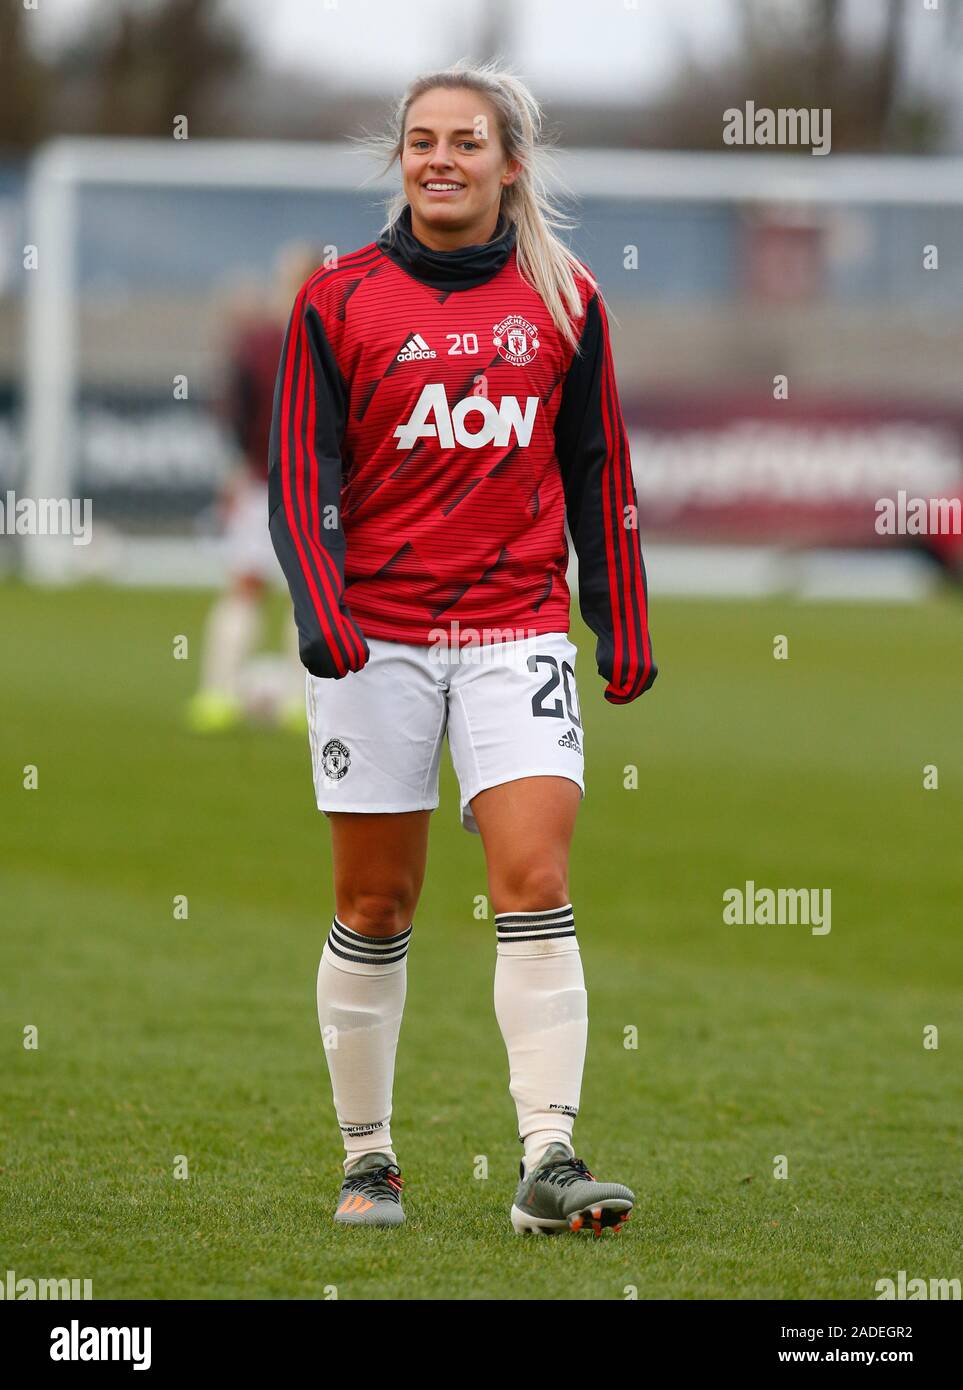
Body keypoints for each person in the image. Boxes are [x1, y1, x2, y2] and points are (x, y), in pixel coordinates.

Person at [268, 59, 657, 1236]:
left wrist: (619, 611)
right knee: (377, 905)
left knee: (535, 879)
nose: (440, 158)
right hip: (375, 638)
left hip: (514, 627)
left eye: (466, 141)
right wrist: (320, 601)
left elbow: (598, 470)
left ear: (510, 163)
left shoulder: (569, 299)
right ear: (402, 157)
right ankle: (370, 1156)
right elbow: (301, 471)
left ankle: (548, 1158)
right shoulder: (336, 299)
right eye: (422, 139)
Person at [187, 245, 320, 733]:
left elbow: (235, 413)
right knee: (305, 594)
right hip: (313, 490)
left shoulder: (259, 341)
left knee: (245, 586)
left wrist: (240, 467)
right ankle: (295, 701)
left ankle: (218, 695)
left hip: (265, 484)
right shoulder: (337, 336)